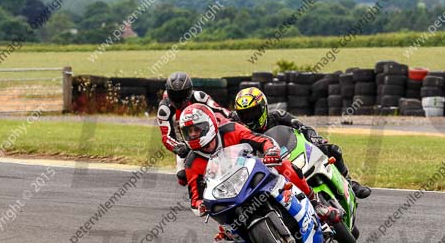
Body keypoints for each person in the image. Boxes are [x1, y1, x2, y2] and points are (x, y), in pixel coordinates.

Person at [179, 104, 342, 226]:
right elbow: (195, 198)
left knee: (285, 165)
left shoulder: (231, 130)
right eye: (189, 131)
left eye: (197, 129)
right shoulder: (191, 163)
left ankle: (315, 203)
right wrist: (201, 206)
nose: (193, 134)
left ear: (208, 125)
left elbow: (262, 140)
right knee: (226, 227)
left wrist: (270, 151)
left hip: (252, 171)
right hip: (228, 193)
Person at [232, 87, 372, 199]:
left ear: (263, 108)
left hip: (291, 154)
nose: (250, 118)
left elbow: (302, 127)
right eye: (245, 114)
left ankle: (350, 183)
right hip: (268, 169)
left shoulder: (278, 116)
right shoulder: (239, 129)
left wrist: (316, 138)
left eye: (253, 112)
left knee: (333, 150)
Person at [156, 72, 230, 185]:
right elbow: (166, 136)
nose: (178, 99)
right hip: (185, 143)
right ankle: (198, 196)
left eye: (182, 94)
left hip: (207, 135)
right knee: (182, 178)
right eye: (174, 95)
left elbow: (218, 109)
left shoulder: (199, 96)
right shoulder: (164, 109)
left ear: (189, 91)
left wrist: (231, 116)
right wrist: (178, 147)